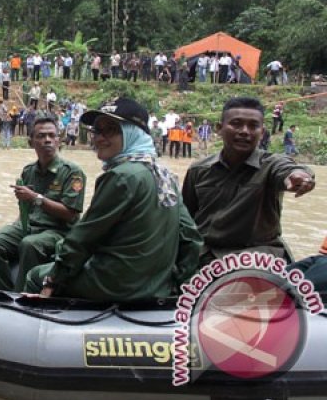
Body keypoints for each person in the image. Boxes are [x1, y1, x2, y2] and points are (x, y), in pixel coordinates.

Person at [24, 98, 202, 301]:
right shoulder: (164, 174)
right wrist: (178, 283)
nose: (99, 138)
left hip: (117, 284)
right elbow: (191, 238)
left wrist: (52, 280)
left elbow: (84, 238)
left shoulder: (121, 176)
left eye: (110, 130)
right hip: (156, 284)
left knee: (36, 275)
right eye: (97, 131)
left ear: (132, 132)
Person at [182, 97, 316, 264]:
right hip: (207, 257)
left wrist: (299, 175)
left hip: (260, 258)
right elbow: (186, 221)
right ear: (219, 128)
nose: (245, 131)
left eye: (253, 126)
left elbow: (288, 169)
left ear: (262, 132)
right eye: (236, 124)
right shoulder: (198, 170)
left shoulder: (270, 165)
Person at [0, 117, 86, 291]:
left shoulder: (72, 172)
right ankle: (1, 291)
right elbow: (25, 208)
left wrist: (36, 198)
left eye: (52, 135)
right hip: (30, 225)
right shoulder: (29, 171)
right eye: (41, 136)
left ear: (58, 140)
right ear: (31, 142)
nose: (47, 140)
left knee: (30, 244)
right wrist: (17, 223)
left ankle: (22, 294)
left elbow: (71, 213)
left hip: (59, 231)